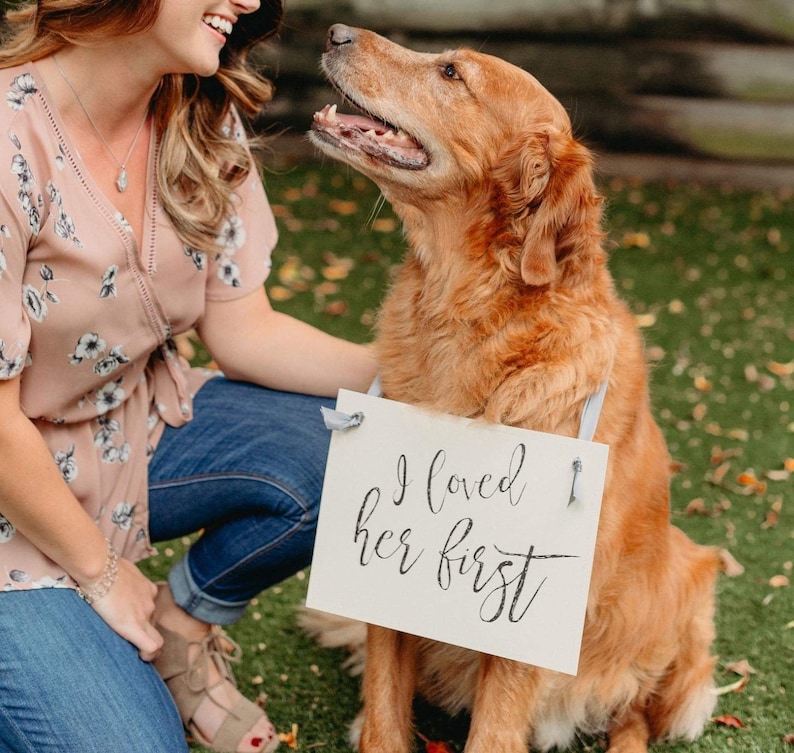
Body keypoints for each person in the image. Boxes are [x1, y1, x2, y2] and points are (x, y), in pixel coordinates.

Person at [0, 1, 377, 751]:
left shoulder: (197, 113)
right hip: (9, 494)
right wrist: (104, 574)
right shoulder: (9, 135)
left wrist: (423, 381)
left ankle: (179, 635)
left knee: (355, 452)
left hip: (129, 435)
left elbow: (245, 328)